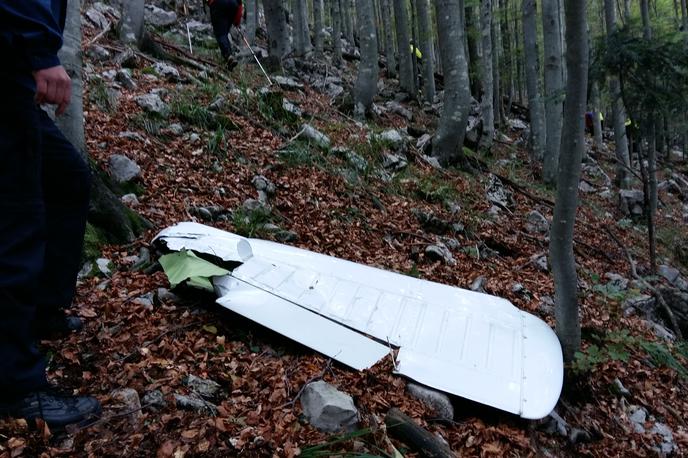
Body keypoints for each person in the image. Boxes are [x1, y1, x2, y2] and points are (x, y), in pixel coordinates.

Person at [0, 1, 101, 429]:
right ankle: (17, 387)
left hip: (14, 64)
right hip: (11, 59)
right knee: (15, 223)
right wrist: (38, 50)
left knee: (66, 180)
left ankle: (41, 308)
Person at [207, 0, 243, 69]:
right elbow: (240, 4)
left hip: (218, 3)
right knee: (224, 33)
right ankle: (229, 60)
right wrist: (237, 22)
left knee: (220, 34)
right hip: (233, 4)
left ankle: (228, 56)